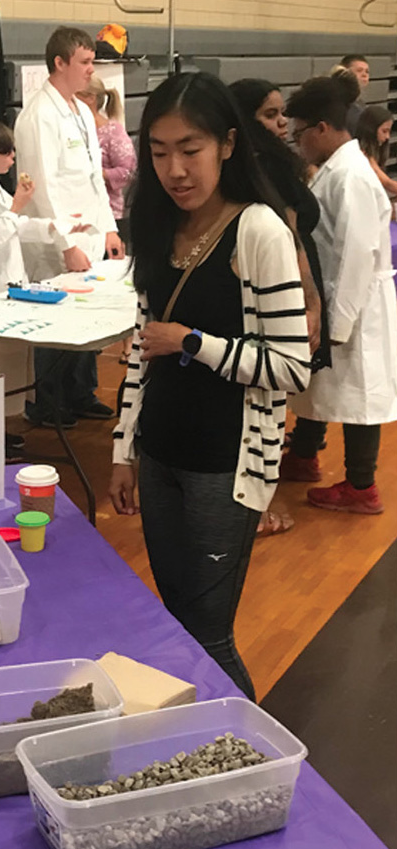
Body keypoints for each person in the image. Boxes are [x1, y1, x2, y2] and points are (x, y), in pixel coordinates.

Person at [109, 72, 311, 700]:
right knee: (175, 620)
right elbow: (144, 349)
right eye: (160, 151)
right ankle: (195, 754)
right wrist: (123, 448)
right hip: (161, 453)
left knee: (207, 632)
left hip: (226, 464)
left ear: (226, 144)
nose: (175, 169)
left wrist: (193, 343)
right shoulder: (157, 227)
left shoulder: (258, 231)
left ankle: (248, 758)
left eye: (190, 150)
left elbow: (291, 367)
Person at [282, 77, 397, 513]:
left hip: (356, 300)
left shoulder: (350, 176)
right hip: (332, 295)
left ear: (323, 128)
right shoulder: (335, 169)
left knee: (357, 394)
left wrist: (340, 321)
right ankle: (305, 455)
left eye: (299, 134)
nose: (298, 144)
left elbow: (355, 253)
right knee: (322, 383)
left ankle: (361, 486)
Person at [230, 78, 333, 536]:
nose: (282, 123)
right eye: (270, 115)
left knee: (270, 400)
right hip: (277, 291)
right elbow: (289, 234)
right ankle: (252, 508)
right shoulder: (258, 164)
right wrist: (309, 303)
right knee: (264, 399)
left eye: (282, 113)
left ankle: (253, 501)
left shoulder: (270, 161)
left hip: (285, 286)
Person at [14, 26, 124, 428]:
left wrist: (109, 228)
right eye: (85, 62)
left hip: (90, 231)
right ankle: (48, 402)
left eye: (92, 62)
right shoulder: (38, 116)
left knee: (87, 316)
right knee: (56, 322)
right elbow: (40, 185)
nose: (91, 70)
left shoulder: (79, 109)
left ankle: (80, 392)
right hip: (56, 240)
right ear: (59, 63)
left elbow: (94, 177)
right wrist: (64, 245)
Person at [0, 119, 86, 416]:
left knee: (5, 362)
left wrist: (56, 225)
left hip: (5, 284)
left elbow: (17, 226)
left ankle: (1, 424)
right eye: (7, 152)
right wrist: (16, 207)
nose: (12, 158)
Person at [78, 74, 137, 363]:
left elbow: (127, 171)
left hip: (110, 215)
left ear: (89, 99)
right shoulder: (78, 129)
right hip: (84, 217)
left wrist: (97, 174)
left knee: (116, 283)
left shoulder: (113, 132)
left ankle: (127, 345)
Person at [355, 104, 397, 203]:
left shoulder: (372, 153)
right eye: (384, 131)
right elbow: (387, 183)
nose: (387, 137)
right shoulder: (362, 154)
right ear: (371, 129)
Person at [340, 54, 370, 136]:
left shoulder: (360, 104)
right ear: (346, 73)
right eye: (359, 70)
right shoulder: (340, 103)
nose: (364, 75)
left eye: (367, 71)